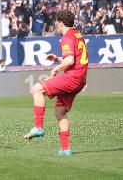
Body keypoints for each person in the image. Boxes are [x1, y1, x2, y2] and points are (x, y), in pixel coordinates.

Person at [23, 9, 88, 156]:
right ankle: (65, 150)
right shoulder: (77, 34)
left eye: (56, 22)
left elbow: (70, 60)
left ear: (60, 22)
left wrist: (55, 69)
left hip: (72, 77)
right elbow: (75, 58)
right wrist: (59, 59)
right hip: (80, 79)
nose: (56, 25)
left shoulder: (66, 37)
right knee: (60, 112)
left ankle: (38, 127)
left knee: (37, 89)